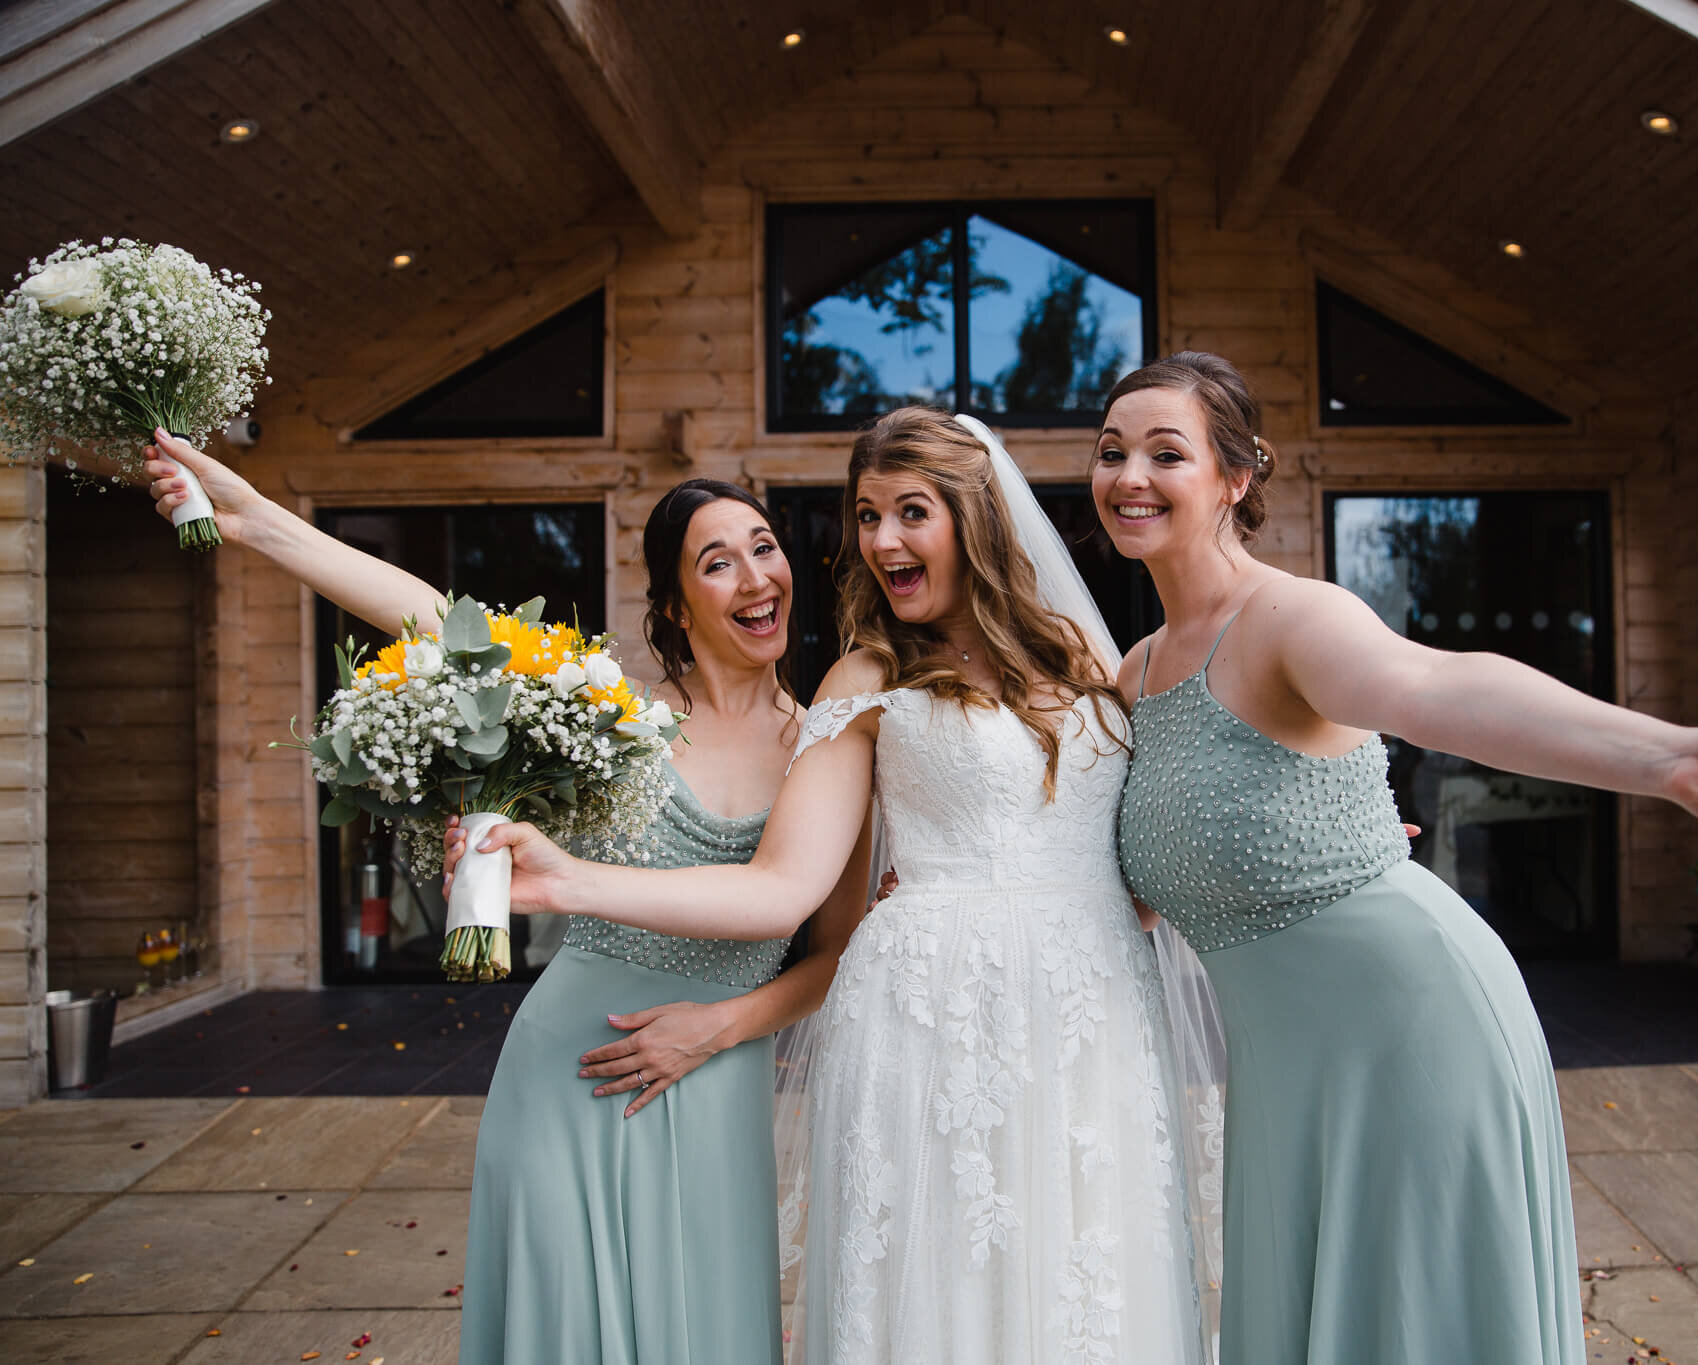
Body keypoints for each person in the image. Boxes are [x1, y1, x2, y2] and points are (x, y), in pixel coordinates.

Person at [1091, 353, 1698, 1365]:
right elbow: (1122, 885)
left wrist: (1680, 759)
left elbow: (1437, 688)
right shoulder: (1130, 676)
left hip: (1410, 1025)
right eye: (1112, 451)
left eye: (1165, 452)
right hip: (1286, 1074)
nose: (1129, 476)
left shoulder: (1290, 619)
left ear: (1235, 476)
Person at [448, 409, 1209, 1364]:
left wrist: (1262, 847)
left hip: (1088, 1013)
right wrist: (569, 881)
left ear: (976, 515)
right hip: (935, 1030)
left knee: (1089, 1283)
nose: (882, 539)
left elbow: (1138, 858)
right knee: (950, 1299)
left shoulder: (1085, 654)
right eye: (867, 515)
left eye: (911, 512)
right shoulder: (865, 675)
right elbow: (782, 889)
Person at [145, 435, 870, 1365]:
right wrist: (255, 520)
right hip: (566, 1071)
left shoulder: (831, 747)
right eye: (716, 561)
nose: (753, 576)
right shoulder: (610, 718)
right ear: (677, 607)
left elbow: (834, 953)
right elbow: (440, 622)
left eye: (763, 547)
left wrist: (721, 1028)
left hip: (719, 1080)